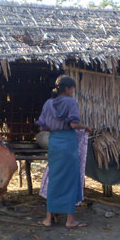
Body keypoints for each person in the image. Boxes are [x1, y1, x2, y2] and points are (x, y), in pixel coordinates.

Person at [35, 75, 92, 229]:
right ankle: (70, 220)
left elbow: (42, 126)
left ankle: (48, 219)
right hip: (68, 143)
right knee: (71, 180)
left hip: (54, 143)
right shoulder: (71, 103)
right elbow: (73, 124)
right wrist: (85, 127)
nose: (73, 91)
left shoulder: (48, 103)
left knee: (54, 179)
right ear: (67, 88)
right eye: (73, 88)